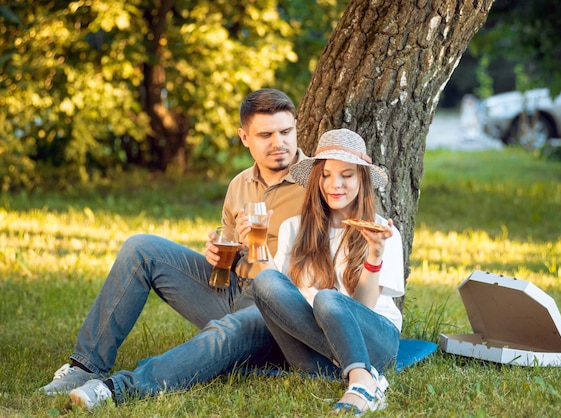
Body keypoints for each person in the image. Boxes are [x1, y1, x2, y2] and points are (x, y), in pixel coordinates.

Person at [38, 88, 308, 409]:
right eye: (266, 135)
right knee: (141, 248)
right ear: (244, 137)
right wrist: (224, 256)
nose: (279, 142)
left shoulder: (318, 182)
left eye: (285, 131)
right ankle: (85, 366)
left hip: (281, 310)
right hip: (235, 289)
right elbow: (231, 252)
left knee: (231, 328)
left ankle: (121, 387)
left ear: (295, 128)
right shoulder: (240, 185)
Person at [250, 128, 405, 415]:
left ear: (361, 180)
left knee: (327, 300)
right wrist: (256, 245)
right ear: (317, 179)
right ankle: (358, 375)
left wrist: (375, 255)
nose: (335, 184)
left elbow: (362, 310)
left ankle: (361, 380)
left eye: (347, 175)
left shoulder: (384, 233)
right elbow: (278, 303)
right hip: (315, 351)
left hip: (375, 343)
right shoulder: (293, 229)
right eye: (327, 174)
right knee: (267, 280)